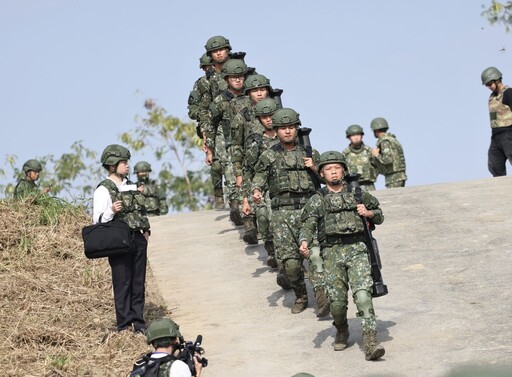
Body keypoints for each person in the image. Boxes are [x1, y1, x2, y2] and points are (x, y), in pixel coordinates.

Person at [299, 151, 385, 360]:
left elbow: (380, 215)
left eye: (337, 167)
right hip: (332, 253)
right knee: (337, 304)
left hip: (357, 249)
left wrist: (369, 213)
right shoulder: (318, 199)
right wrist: (304, 242)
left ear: (344, 170)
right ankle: (342, 328)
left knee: (363, 296)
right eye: (328, 169)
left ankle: (371, 341)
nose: (334, 172)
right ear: (322, 173)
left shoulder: (357, 193)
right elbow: (308, 223)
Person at [251, 108, 318, 314]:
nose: (287, 131)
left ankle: (324, 295)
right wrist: (256, 191)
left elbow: (330, 179)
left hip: (309, 209)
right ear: (276, 130)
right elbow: (259, 177)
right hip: (282, 214)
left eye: (291, 127)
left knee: (316, 256)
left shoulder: (309, 152)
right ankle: (301, 294)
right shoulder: (269, 155)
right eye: (283, 128)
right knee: (290, 264)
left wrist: (314, 167)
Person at [93, 144, 150, 333]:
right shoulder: (103, 189)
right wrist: (111, 210)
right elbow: (97, 221)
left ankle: (138, 321)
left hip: (138, 238)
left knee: (138, 282)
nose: (127, 166)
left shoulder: (131, 186)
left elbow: (140, 211)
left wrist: (146, 232)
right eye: (123, 162)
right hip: (118, 241)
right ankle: (124, 324)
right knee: (122, 282)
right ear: (111, 165)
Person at [203, 59, 249, 226]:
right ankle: (236, 207)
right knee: (231, 177)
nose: (237, 80)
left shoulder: (251, 96)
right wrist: (210, 149)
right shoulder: (220, 101)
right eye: (233, 77)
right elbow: (210, 124)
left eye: (240, 77)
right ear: (227, 79)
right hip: (227, 142)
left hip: (248, 143)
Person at [231, 74, 273, 244]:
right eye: (255, 91)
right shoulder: (243, 117)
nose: (259, 93)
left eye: (262, 89)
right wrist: (238, 172)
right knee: (254, 202)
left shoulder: (277, 113)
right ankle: (251, 227)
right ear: (248, 93)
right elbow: (237, 145)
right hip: (252, 165)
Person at [241, 97, 280, 263]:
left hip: (286, 188)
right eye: (265, 117)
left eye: (272, 115)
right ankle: (271, 251)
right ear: (259, 119)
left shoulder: (289, 137)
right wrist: (245, 200)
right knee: (263, 218)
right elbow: (248, 171)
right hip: (263, 187)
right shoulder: (255, 142)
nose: (269, 119)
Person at [187, 54, 225, 209]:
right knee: (216, 166)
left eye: (210, 66)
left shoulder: (227, 78)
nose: (208, 70)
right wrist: (204, 114)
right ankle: (219, 197)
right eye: (205, 68)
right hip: (210, 127)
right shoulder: (201, 84)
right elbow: (192, 109)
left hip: (228, 123)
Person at [132, 318, 203, 377]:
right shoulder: (179, 367)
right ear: (175, 340)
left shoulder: (140, 364)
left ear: (152, 342)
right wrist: (198, 373)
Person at [481, 66, 512, 176]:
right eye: (487, 85)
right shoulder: (493, 98)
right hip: (495, 137)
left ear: (497, 79)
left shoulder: (508, 93)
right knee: (494, 165)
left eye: (490, 84)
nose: (488, 87)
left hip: (508, 134)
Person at [370, 117, 407, 188]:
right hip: (398, 176)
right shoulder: (392, 139)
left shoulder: (384, 142)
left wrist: (376, 154)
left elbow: (387, 160)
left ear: (376, 130)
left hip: (394, 177)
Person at [341, 125, 378, 191]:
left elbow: (378, 167)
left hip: (369, 185)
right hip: (352, 185)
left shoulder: (369, 151)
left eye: (358, 135)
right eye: (353, 135)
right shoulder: (345, 153)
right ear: (349, 138)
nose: (356, 137)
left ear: (362, 136)